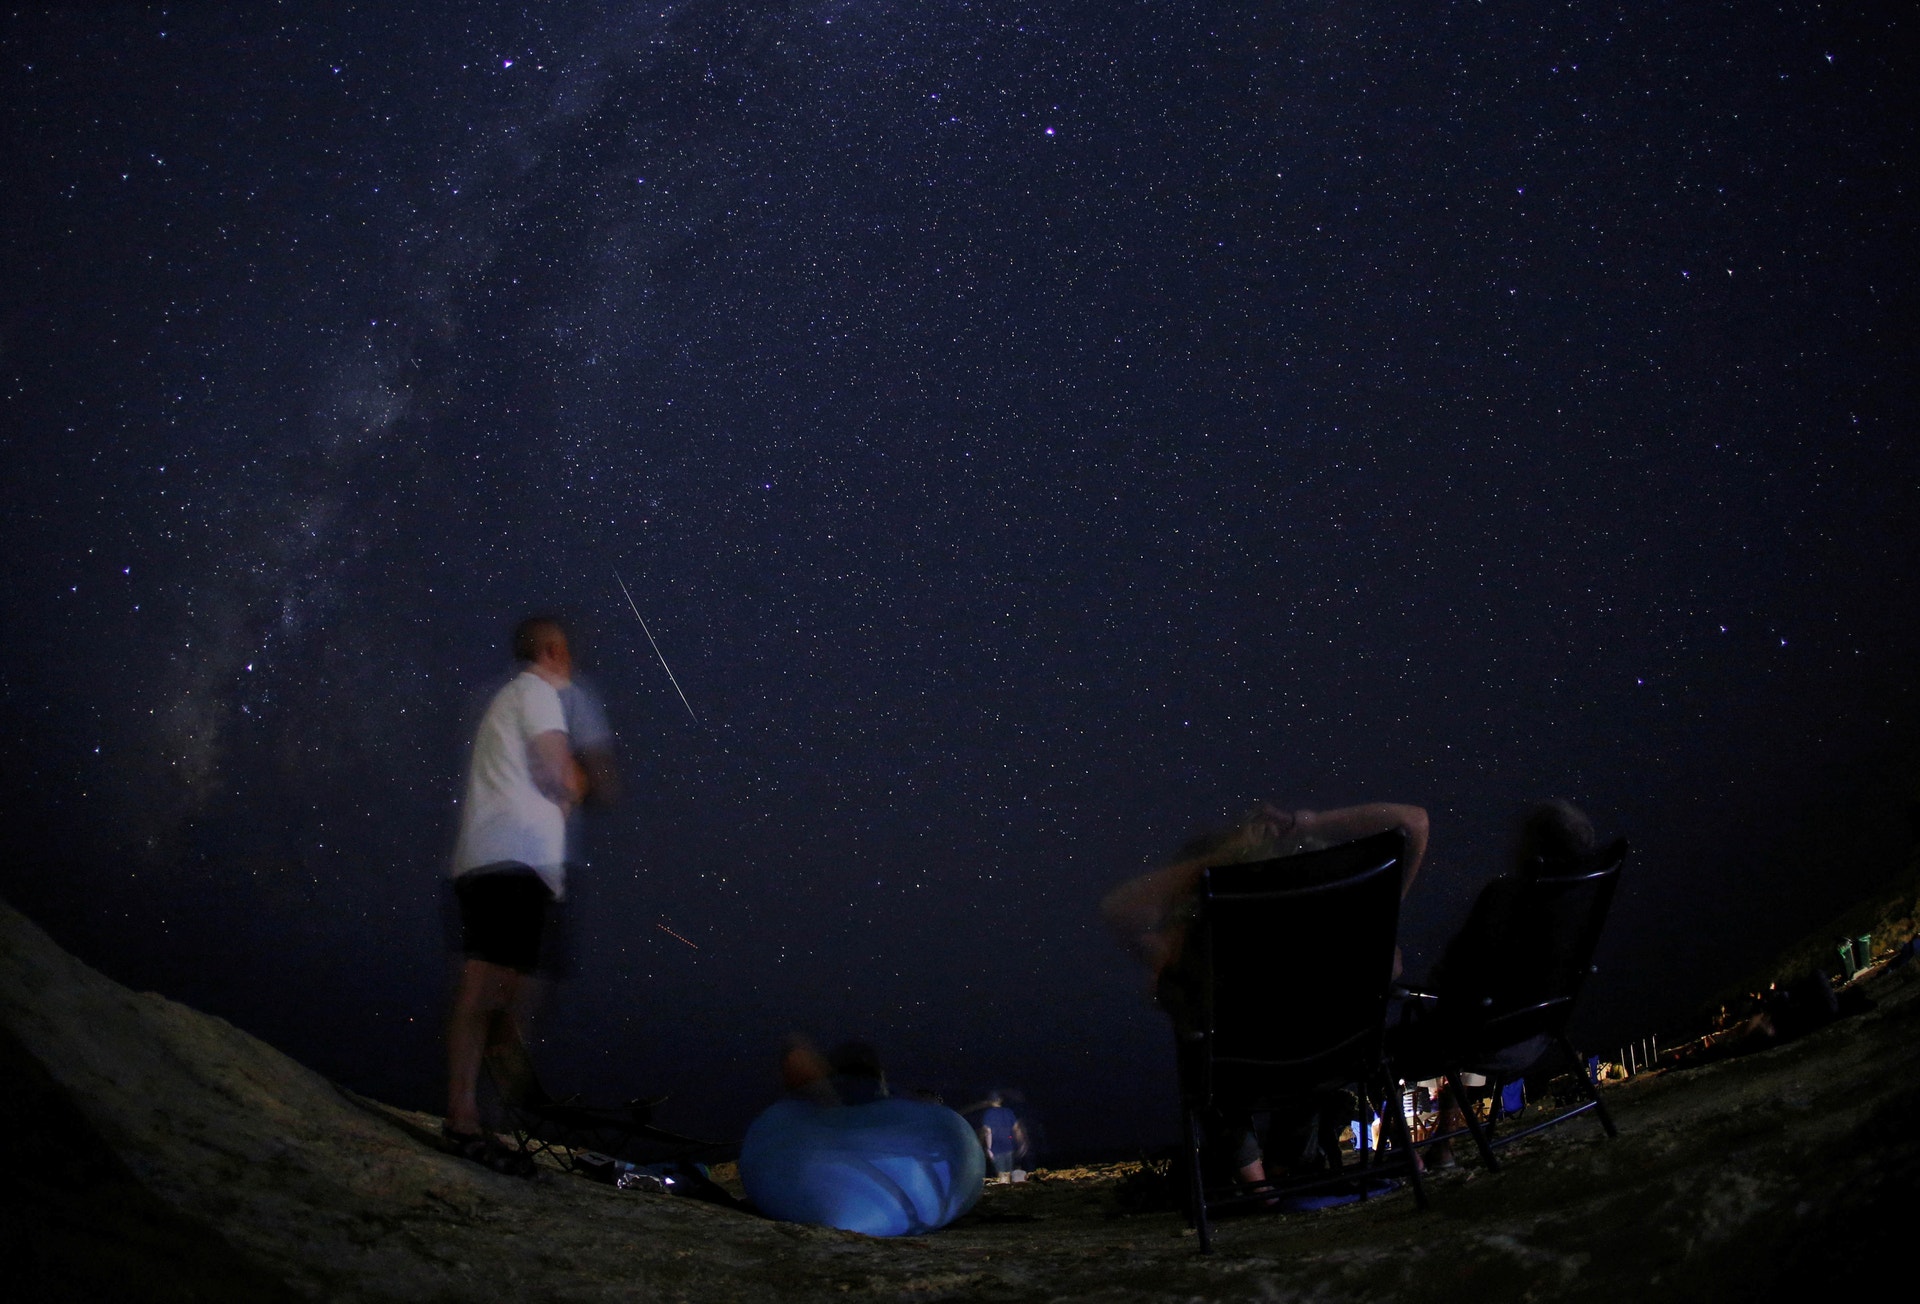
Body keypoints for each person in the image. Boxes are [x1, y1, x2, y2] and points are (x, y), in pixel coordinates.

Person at [1101, 800, 1430, 1191]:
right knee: (1316, 1033)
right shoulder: (1347, 918)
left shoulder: (1205, 949)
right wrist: (1306, 822)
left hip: (1242, 1073)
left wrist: (1221, 862)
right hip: (1334, 1062)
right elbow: (1414, 821)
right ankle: (1285, 1166)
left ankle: (1255, 1181)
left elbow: (1118, 909)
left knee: (1193, 1027)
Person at [441, 615, 593, 1173]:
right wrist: (579, 782)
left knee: (507, 991)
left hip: (514, 863)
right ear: (550, 650)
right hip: (509, 861)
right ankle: (465, 1118)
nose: (572, 661)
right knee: (487, 987)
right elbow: (558, 773)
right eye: (566, 650)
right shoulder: (536, 693)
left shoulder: (517, 698)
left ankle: (497, 1113)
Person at [1415, 799, 1598, 1169]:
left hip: (1491, 1036)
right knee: (1461, 1026)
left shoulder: (1504, 897)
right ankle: (1442, 1146)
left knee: (1434, 1032)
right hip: (1544, 1031)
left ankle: (1430, 1151)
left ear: (1533, 847)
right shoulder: (1578, 904)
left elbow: (1454, 971)